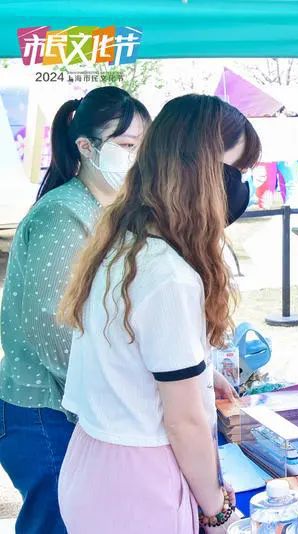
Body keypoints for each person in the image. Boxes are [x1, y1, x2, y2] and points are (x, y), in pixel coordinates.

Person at [56, 94, 261, 533]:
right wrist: (217, 510)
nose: (241, 186)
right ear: (199, 171)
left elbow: (136, 365)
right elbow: (184, 421)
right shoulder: (168, 273)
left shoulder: (122, 245)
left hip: (93, 462)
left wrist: (200, 375)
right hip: (139, 484)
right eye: (236, 170)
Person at [0, 86, 150, 534]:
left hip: (80, 405)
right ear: (85, 147)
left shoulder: (112, 211)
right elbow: (53, 328)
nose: (136, 156)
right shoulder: (62, 214)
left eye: (143, 145)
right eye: (126, 146)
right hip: (45, 410)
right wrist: (121, 388)